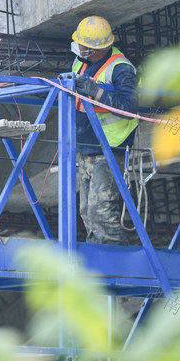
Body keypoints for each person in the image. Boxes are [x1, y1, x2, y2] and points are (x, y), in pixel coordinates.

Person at [70, 16, 139, 244]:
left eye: (82, 44)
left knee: (101, 212)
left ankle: (116, 262)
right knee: (86, 213)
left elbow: (128, 107)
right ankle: (96, 258)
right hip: (87, 147)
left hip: (109, 149)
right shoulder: (80, 62)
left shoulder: (121, 69)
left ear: (93, 49)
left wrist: (96, 92)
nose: (77, 46)